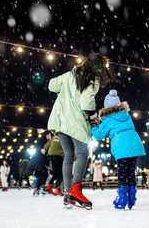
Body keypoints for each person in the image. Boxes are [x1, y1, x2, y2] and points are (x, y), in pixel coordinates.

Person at [48, 53, 116, 209]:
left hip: (60, 121)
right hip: (76, 122)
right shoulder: (92, 79)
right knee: (81, 154)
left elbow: (51, 85)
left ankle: (67, 194)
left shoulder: (70, 75)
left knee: (68, 157)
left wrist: (66, 87)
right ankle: (76, 190)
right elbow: (86, 102)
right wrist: (94, 117)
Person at [91, 90, 145, 210]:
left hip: (122, 145)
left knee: (122, 173)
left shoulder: (108, 118)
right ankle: (131, 198)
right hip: (135, 143)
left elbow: (99, 135)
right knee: (130, 172)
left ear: (106, 107)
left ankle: (122, 198)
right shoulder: (126, 114)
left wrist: (94, 126)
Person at [28, 130, 52, 195]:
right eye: (50, 135)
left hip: (39, 160)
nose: (51, 136)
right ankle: (40, 188)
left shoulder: (43, 140)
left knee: (41, 175)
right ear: (46, 135)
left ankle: (38, 189)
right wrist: (42, 151)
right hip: (39, 161)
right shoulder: (42, 140)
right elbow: (39, 148)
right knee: (43, 174)